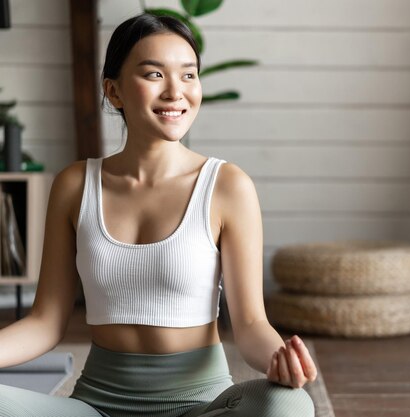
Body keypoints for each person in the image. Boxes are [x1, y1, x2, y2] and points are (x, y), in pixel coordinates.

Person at [0, 13, 316, 417]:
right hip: (98, 407)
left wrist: (282, 361)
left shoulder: (227, 185)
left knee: (289, 406)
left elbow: (251, 323)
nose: (175, 93)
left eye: (188, 76)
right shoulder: (75, 185)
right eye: (154, 75)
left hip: (200, 407)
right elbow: (45, 322)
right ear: (113, 92)